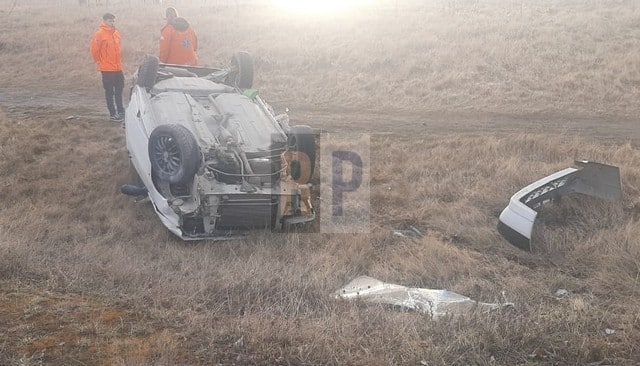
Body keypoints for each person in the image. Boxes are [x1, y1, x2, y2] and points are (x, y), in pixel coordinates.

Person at [90, 13, 125, 122]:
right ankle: (112, 114)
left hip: (118, 68)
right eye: (110, 21)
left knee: (119, 90)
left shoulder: (116, 33)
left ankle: (121, 111)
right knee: (109, 92)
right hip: (107, 69)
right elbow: (94, 50)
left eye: (113, 21)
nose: (112, 23)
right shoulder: (99, 34)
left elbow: (118, 50)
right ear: (104, 21)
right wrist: (101, 62)